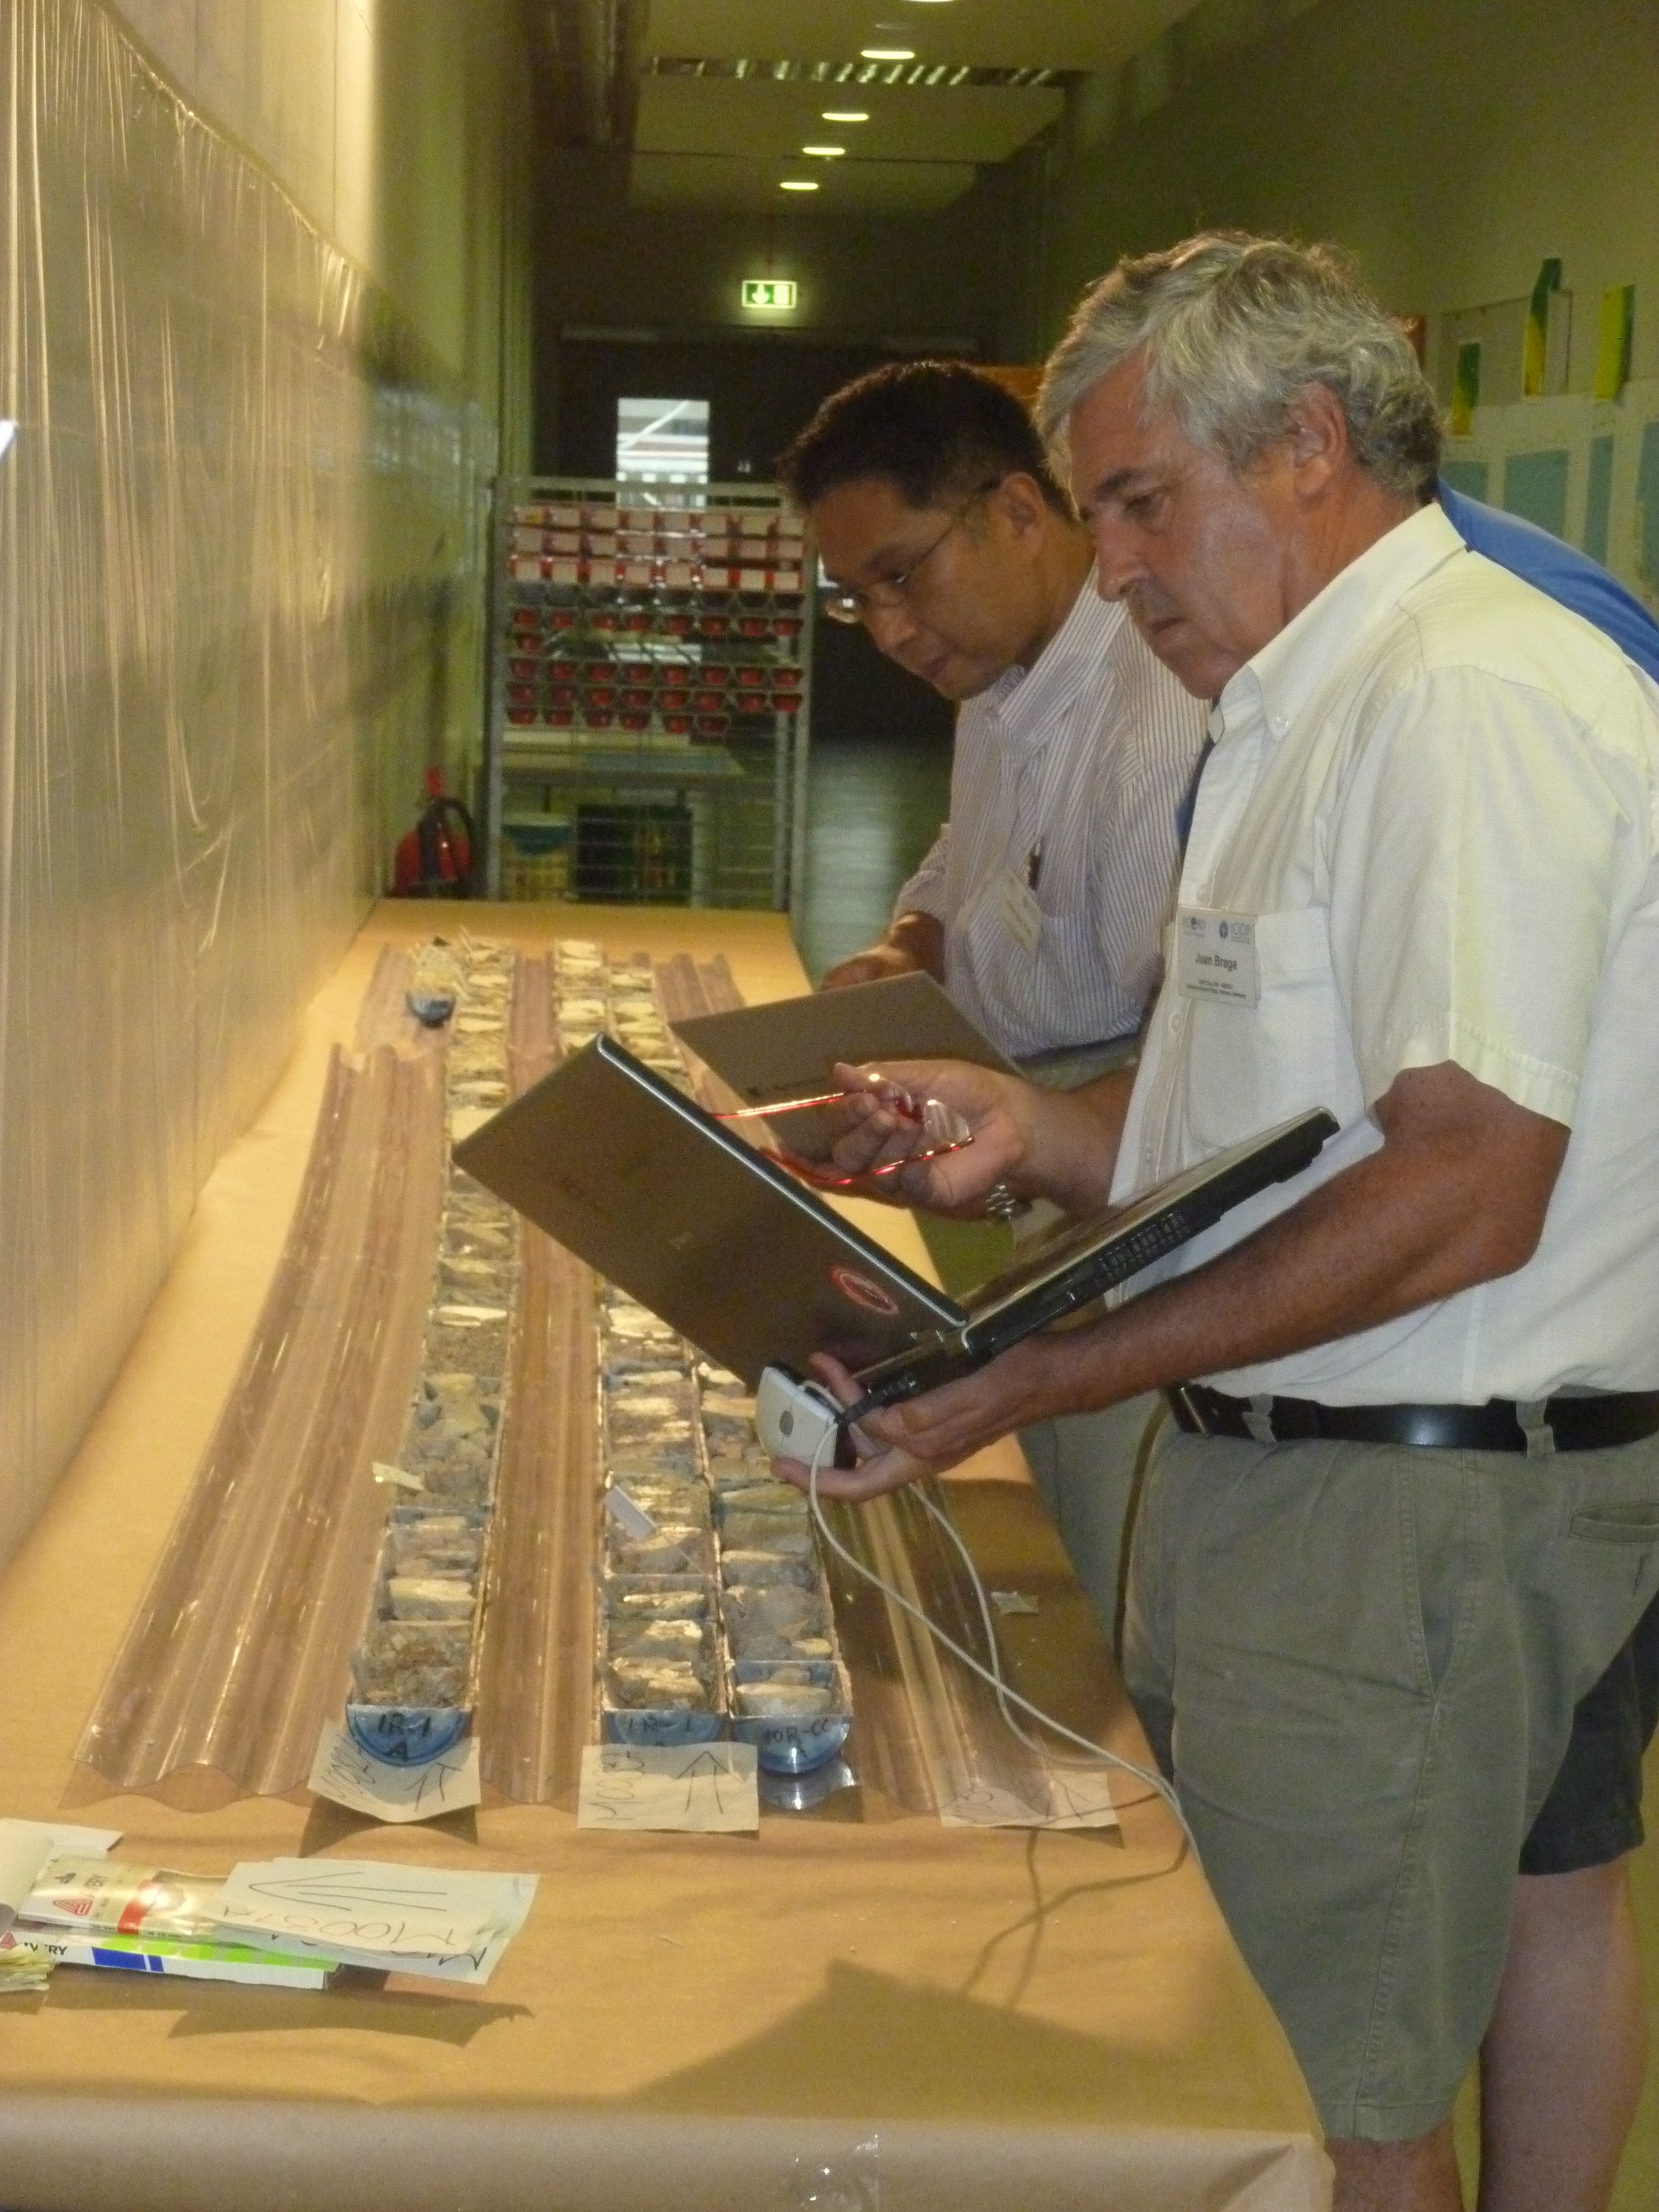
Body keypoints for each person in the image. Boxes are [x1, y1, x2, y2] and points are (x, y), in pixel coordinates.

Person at [782, 236, 1659, 2212]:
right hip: (1316, 1483)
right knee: (1310, 2069)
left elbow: (1463, 1188)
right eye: (1097, 515)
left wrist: (1042, 1367)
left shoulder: (1461, 697)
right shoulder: (1296, 708)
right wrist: (1043, 1134)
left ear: (1308, 448)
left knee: (1332, 2112)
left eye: (1141, 504)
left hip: (1403, 1506)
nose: (1111, 568)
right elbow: (1276, 1137)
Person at [779, 361, 1207, 1643]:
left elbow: (1187, 1045)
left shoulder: (1164, 700)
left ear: (1019, 510)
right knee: (1054, 1529)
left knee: (1123, 1588)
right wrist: (909, 945)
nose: (890, 630)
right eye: (856, 597)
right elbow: (967, 850)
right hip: (1034, 1164)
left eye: (903, 575)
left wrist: (1039, 1129)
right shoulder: (999, 678)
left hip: (1138, 1192)